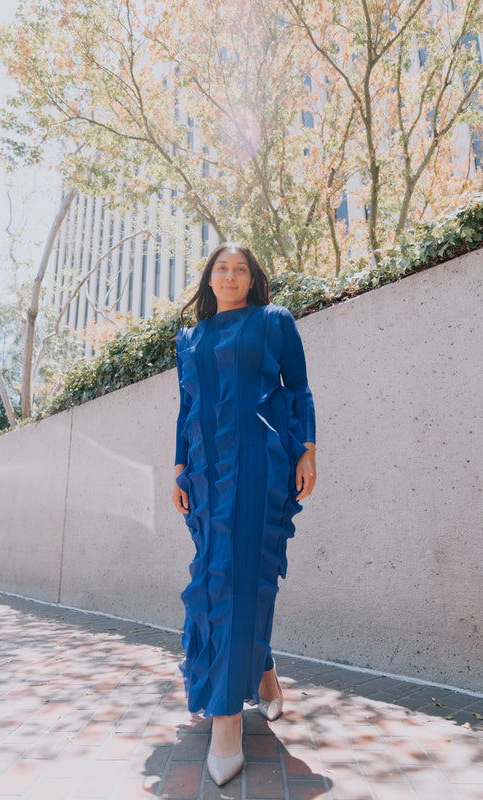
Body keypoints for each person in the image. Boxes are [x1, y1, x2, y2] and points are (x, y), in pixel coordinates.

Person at [172, 242, 316, 785]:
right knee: (221, 577)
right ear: (208, 280)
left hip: (259, 462)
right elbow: (186, 409)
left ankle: (227, 719)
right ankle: (266, 678)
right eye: (221, 269)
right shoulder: (188, 339)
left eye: (241, 269)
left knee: (241, 575)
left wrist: (308, 449)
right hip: (207, 472)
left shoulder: (273, 321)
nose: (230, 276)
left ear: (253, 279)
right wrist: (180, 469)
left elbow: (298, 388)